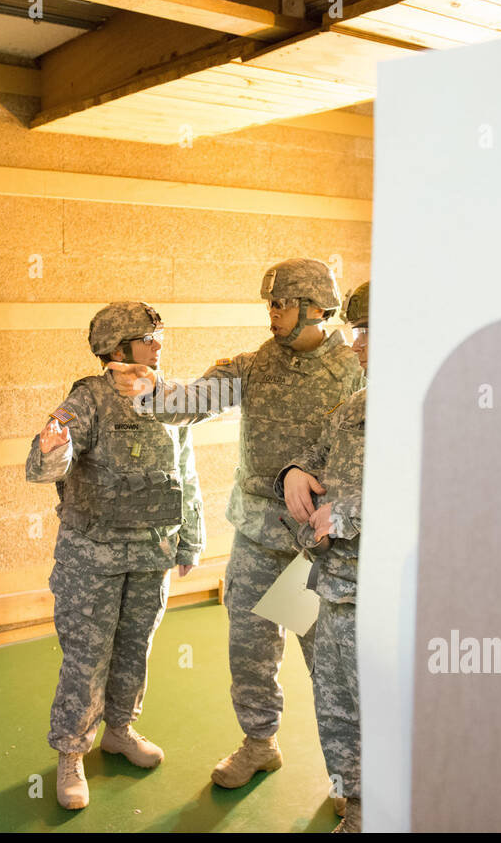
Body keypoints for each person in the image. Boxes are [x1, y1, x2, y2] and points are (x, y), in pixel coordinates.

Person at [108, 259, 363, 789]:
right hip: (256, 537)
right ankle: (259, 744)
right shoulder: (253, 367)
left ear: (316, 308)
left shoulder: (357, 368)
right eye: (270, 304)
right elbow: (193, 401)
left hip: (319, 549)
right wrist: (149, 393)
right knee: (250, 652)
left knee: (332, 669)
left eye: (282, 304)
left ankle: (350, 781)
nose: (271, 313)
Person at [25, 301, 203, 810]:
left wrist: (190, 538)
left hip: (152, 551)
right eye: (149, 337)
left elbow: (185, 474)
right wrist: (52, 448)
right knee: (87, 657)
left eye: (159, 335)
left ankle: (120, 730)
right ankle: (70, 753)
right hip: (93, 557)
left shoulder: (170, 398)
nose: (159, 344)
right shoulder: (89, 399)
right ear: (118, 348)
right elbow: (43, 467)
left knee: (134, 648)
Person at [276, 280, 368, 832]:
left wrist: (351, 511)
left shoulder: (439, 410)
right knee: (337, 709)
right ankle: (356, 811)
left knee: (390, 712)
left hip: (390, 597)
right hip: (332, 587)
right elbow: (317, 459)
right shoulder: (353, 407)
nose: (355, 345)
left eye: (365, 334)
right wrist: (293, 472)